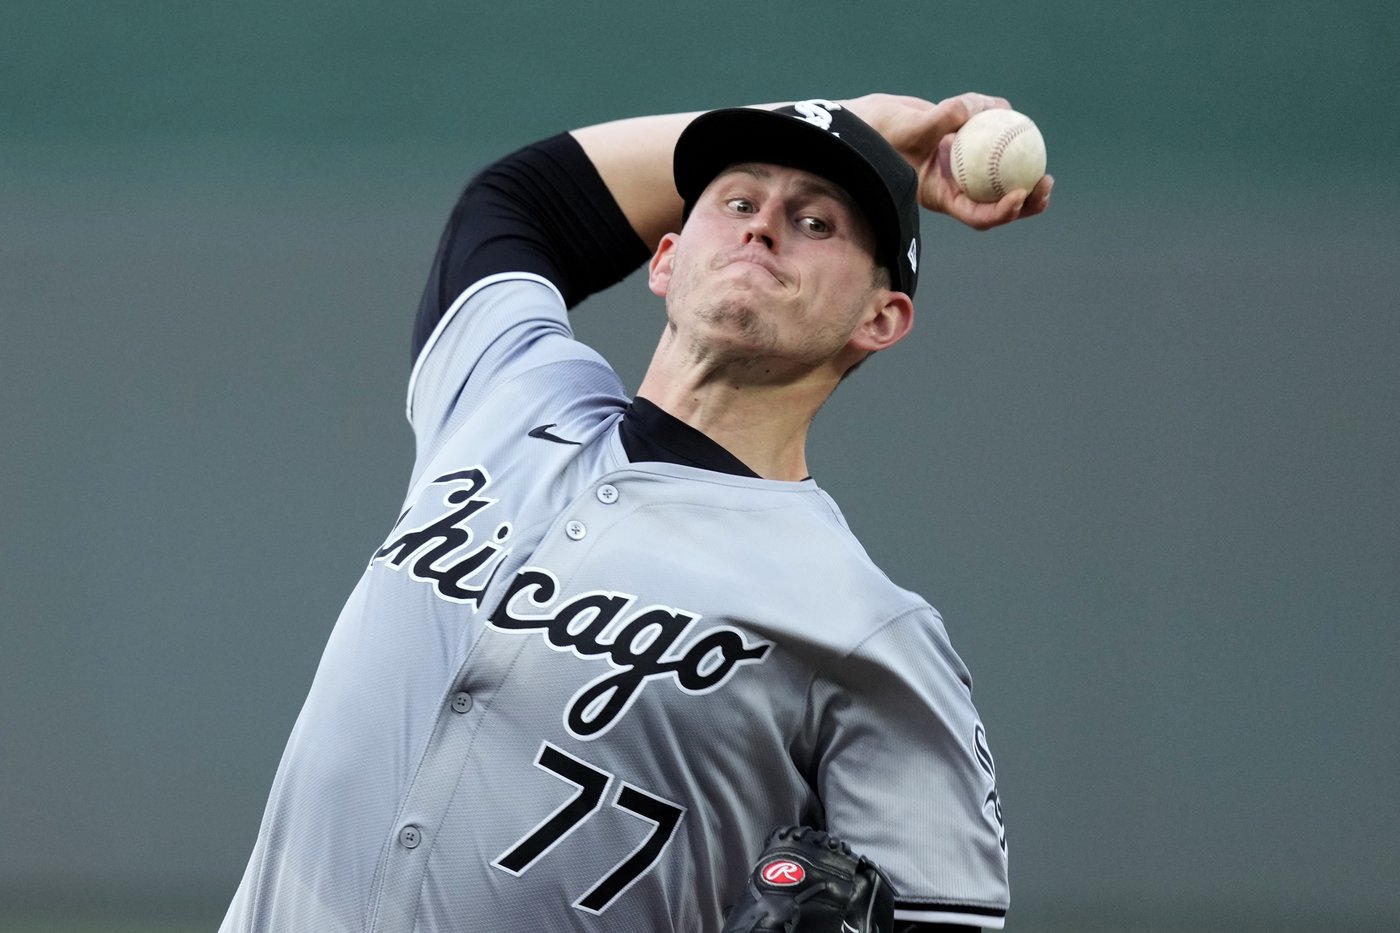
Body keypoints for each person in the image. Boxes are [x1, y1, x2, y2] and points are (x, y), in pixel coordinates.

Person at [219, 91, 1053, 933]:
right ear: (664, 259)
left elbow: (944, 916)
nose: (763, 226)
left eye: (816, 223)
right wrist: (836, 117)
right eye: (737, 202)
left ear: (881, 318)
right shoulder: (507, 394)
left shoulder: (867, 627)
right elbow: (521, 198)